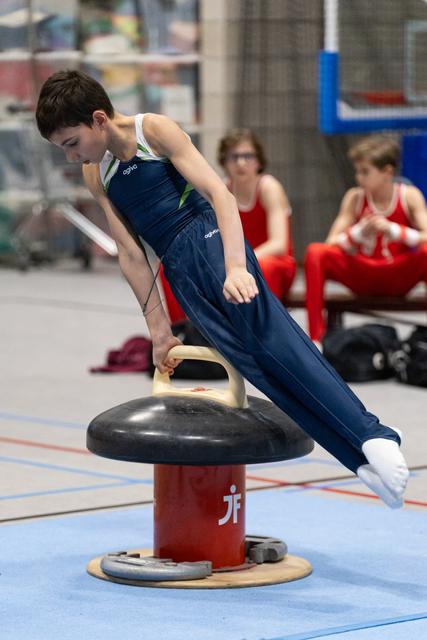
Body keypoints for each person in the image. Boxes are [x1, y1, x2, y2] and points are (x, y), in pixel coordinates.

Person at [36, 70, 409, 509]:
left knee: (276, 341)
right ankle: (356, 457)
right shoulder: (95, 173)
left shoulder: (153, 131)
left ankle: (373, 434)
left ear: (99, 119)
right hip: (179, 269)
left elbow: (220, 195)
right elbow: (131, 253)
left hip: (209, 241)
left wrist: (235, 267)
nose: (70, 156)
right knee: (256, 365)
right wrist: (159, 330)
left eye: (71, 143)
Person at [161, 128, 296, 323]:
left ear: (259, 161)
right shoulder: (221, 192)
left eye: (248, 156)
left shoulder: (269, 188)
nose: (241, 163)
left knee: (262, 268)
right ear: (224, 162)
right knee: (171, 268)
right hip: (240, 264)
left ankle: (266, 331)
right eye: (234, 157)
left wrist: (241, 264)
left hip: (275, 265)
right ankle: (185, 330)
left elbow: (279, 244)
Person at [305, 134, 427, 343]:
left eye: (365, 172)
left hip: (397, 276)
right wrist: (359, 233)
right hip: (364, 275)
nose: (358, 178)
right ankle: (316, 339)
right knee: (316, 252)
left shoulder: (409, 195)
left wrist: (394, 231)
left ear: (387, 172)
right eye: (357, 171)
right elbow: (330, 243)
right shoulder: (355, 197)